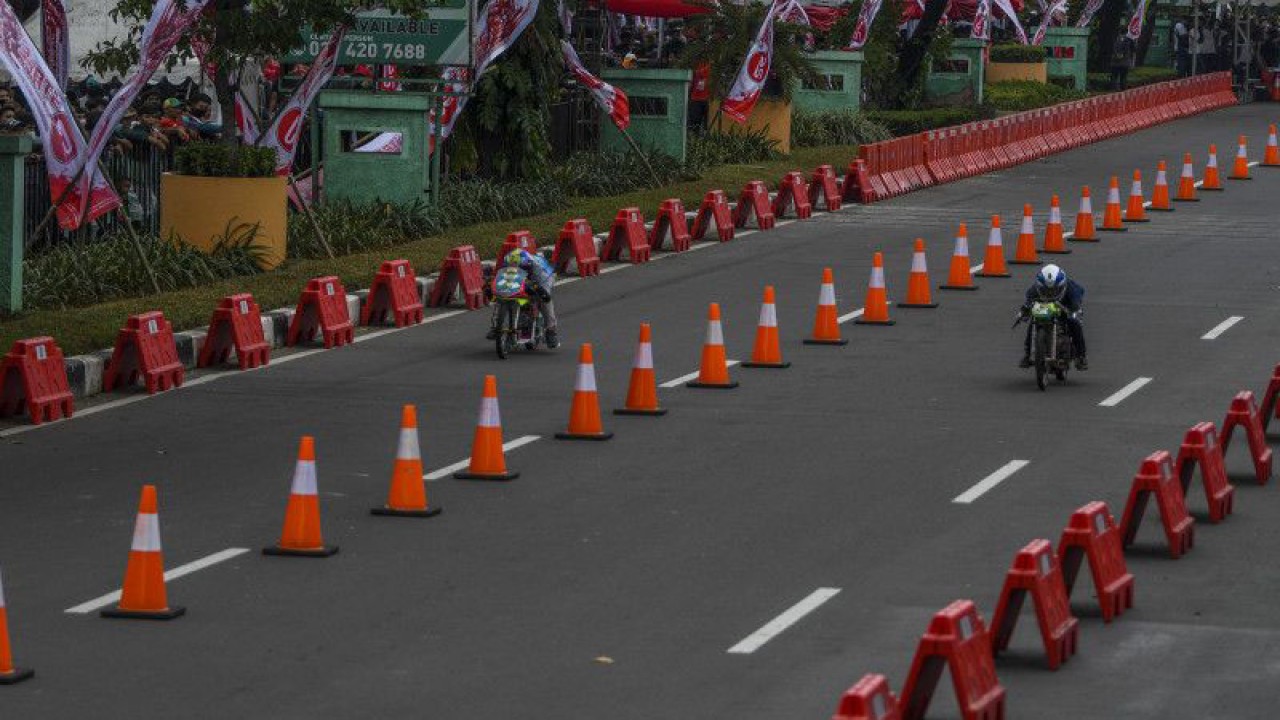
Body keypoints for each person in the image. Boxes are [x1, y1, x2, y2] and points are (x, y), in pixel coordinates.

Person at [1018, 264, 1087, 370]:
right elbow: (1028, 300)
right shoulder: (1035, 288)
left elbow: (1077, 301)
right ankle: (1027, 354)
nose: (1050, 293)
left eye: (1054, 290)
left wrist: (1075, 310)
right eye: (1046, 290)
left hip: (1064, 308)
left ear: (1062, 286)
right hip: (1044, 308)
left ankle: (1081, 355)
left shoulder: (1071, 288)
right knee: (1032, 322)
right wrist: (1024, 311)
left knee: (1074, 323)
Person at [491, 248, 560, 348]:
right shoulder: (507, 262)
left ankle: (551, 331)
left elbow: (543, 289)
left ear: (528, 266)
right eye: (510, 267)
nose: (514, 270)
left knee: (544, 299)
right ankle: (495, 327)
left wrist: (540, 291)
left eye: (519, 268)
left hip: (544, 278)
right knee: (500, 297)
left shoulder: (538, 268)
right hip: (522, 279)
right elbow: (500, 278)